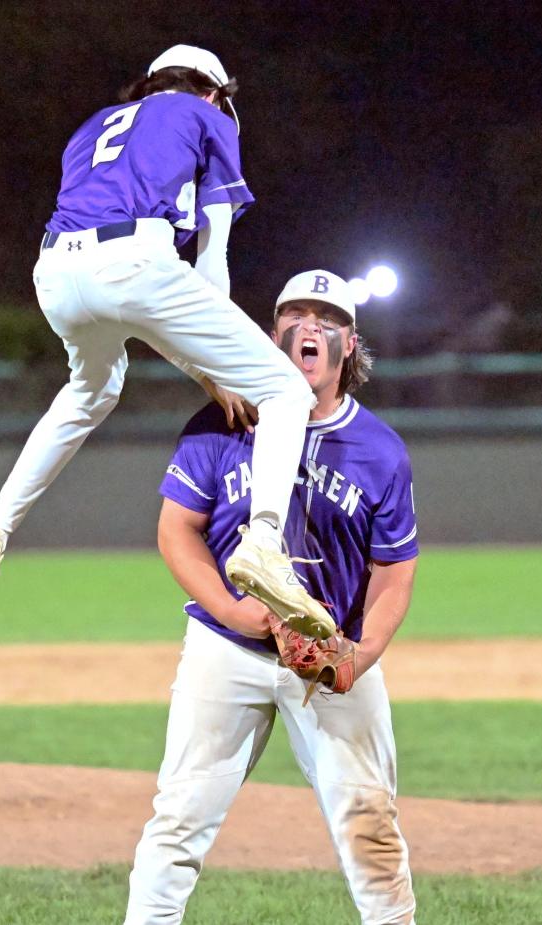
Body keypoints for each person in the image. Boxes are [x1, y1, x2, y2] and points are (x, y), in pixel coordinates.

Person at [0, 45, 333, 638]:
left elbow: (136, 292)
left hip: (54, 271)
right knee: (283, 391)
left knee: (89, 391)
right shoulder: (208, 115)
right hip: (132, 259)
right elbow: (208, 262)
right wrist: (218, 369)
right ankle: (265, 543)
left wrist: (207, 370)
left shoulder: (90, 127)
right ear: (211, 92)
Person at [123, 270, 420, 924]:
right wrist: (231, 609)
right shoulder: (221, 423)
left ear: (350, 343)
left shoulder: (379, 449)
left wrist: (359, 655)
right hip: (226, 648)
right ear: (271, 334)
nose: (311, 326)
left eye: (328, 318)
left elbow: (395, 571)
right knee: (179, 817)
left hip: (330, 653)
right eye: (296, 315)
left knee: (369, 819)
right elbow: (177, 530)